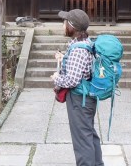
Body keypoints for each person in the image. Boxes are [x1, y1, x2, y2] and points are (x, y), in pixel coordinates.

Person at [51, 9, 104, 166]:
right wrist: (64, 58)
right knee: (89, 134)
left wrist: (56, 77)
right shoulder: (85, 43)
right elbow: (81, 66)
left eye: (65, 22)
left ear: (71, 26)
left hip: (79, 100)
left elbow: (72, 80)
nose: (63, 25)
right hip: (87, 98)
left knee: (82, 140)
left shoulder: (78, 50)